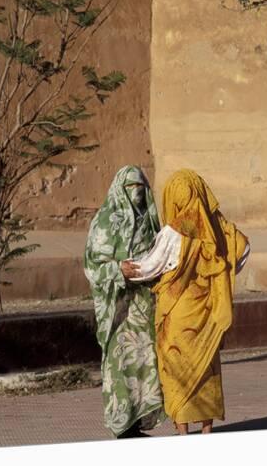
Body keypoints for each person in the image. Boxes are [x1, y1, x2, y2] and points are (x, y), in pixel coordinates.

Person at [125, 168, 250, 435]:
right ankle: (206, 430)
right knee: (206, 369)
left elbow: (149, 267)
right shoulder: (221, 227)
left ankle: (183, 433)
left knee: (176, 370)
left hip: (177, 315)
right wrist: (226, 273)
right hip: (207, 313)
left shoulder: (174, 232)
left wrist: (122, 268)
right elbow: (243, 249)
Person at [83, 165, 166, 439]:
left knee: (145, 364)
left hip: (144, 306)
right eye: (132, 188)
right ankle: (122, 427)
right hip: (118, 310)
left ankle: (137, 425)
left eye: (141, 187)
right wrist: (118, 270)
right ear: (120, 189)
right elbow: (92, 266)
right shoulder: (105, 222)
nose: (137, 193)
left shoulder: (150, 220)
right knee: (121, 366)